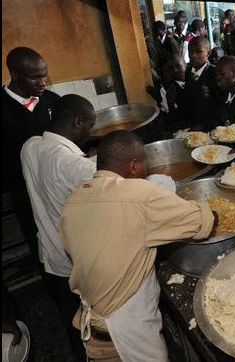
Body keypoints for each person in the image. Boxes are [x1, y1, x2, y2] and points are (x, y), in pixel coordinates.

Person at [59, 130, 215, 361]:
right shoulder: (139, 193)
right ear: (133, 166)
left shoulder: (73, 201)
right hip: (126, 333)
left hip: (94, 326)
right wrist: (212, 211)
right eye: (145, 166)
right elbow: (203, 222)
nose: (147, 172)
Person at [20, 94, 97, 360]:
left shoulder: (30, 146)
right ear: (77, 121)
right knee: (93, 323)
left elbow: (57, 174)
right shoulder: (75, 165)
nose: (89, 134)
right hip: (76, 262)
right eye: (88, 127)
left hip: (50, 256)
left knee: (71, 320)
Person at [2, 47, 61, 267]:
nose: (42, 82)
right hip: (26, 195)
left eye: (44, 75)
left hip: (58, 188)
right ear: (15, 75)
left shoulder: (51, 101)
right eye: (35, 77)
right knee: (43, 248)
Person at [184, 37, 225, 130]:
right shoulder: (188, 71)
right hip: (192, 123)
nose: (193, 55)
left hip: (210, 126)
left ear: (208, 53)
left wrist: (206, 125)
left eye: (198, 51)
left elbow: (220, 105)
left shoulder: (214, 74)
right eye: (190, 51)